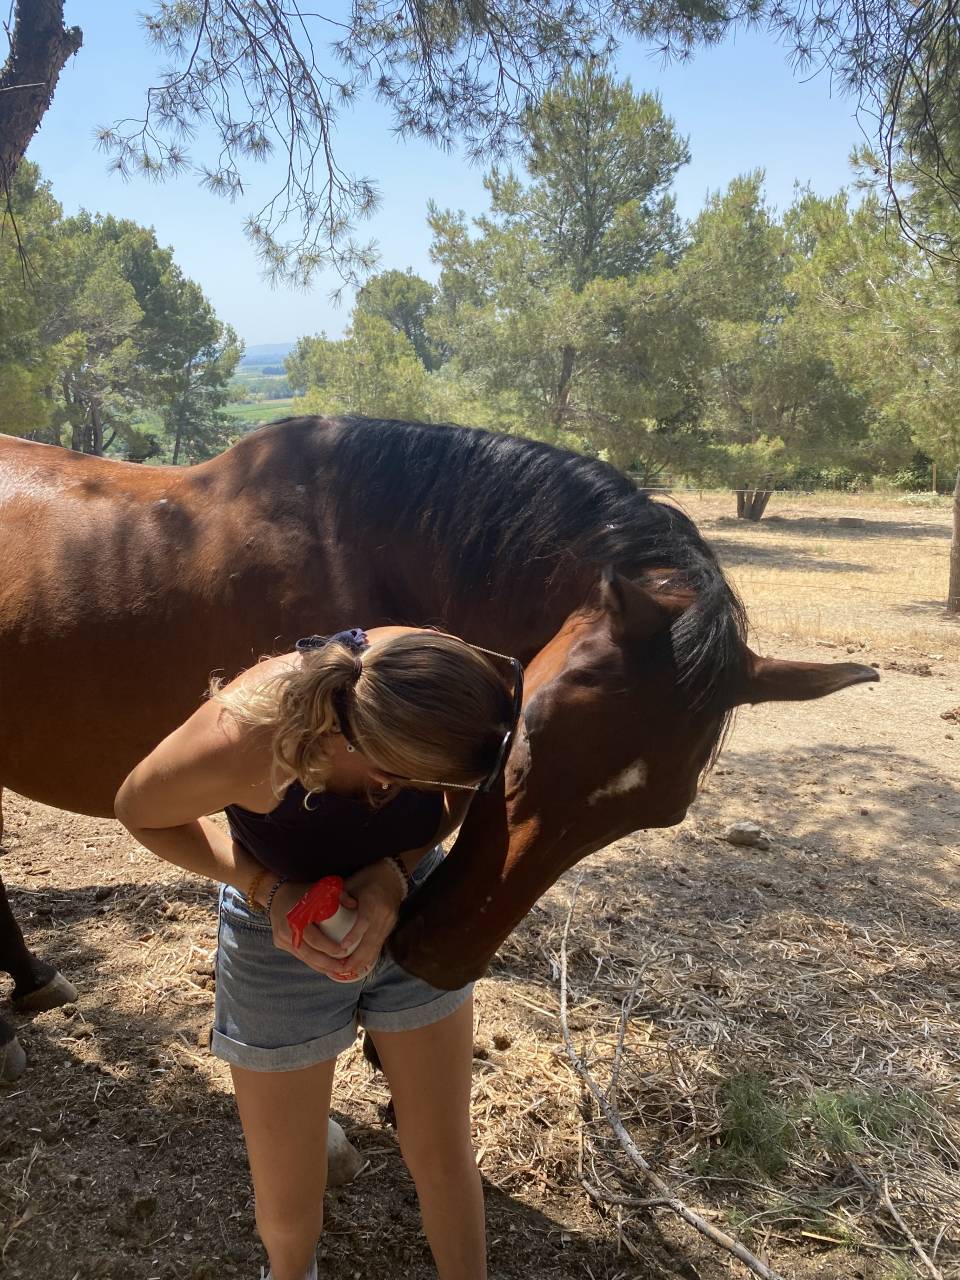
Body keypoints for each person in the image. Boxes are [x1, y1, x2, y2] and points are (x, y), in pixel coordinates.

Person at [114, 626, 519, 1280]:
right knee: (288, 1205)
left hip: (412, 909)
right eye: (425, 783)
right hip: (274, 945)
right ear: (388, 777)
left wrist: (393, 872)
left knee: (444, 1157)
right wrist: (269, 893)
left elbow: (461, 796)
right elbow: (138, 808)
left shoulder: (438, 678)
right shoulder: (242, 741)